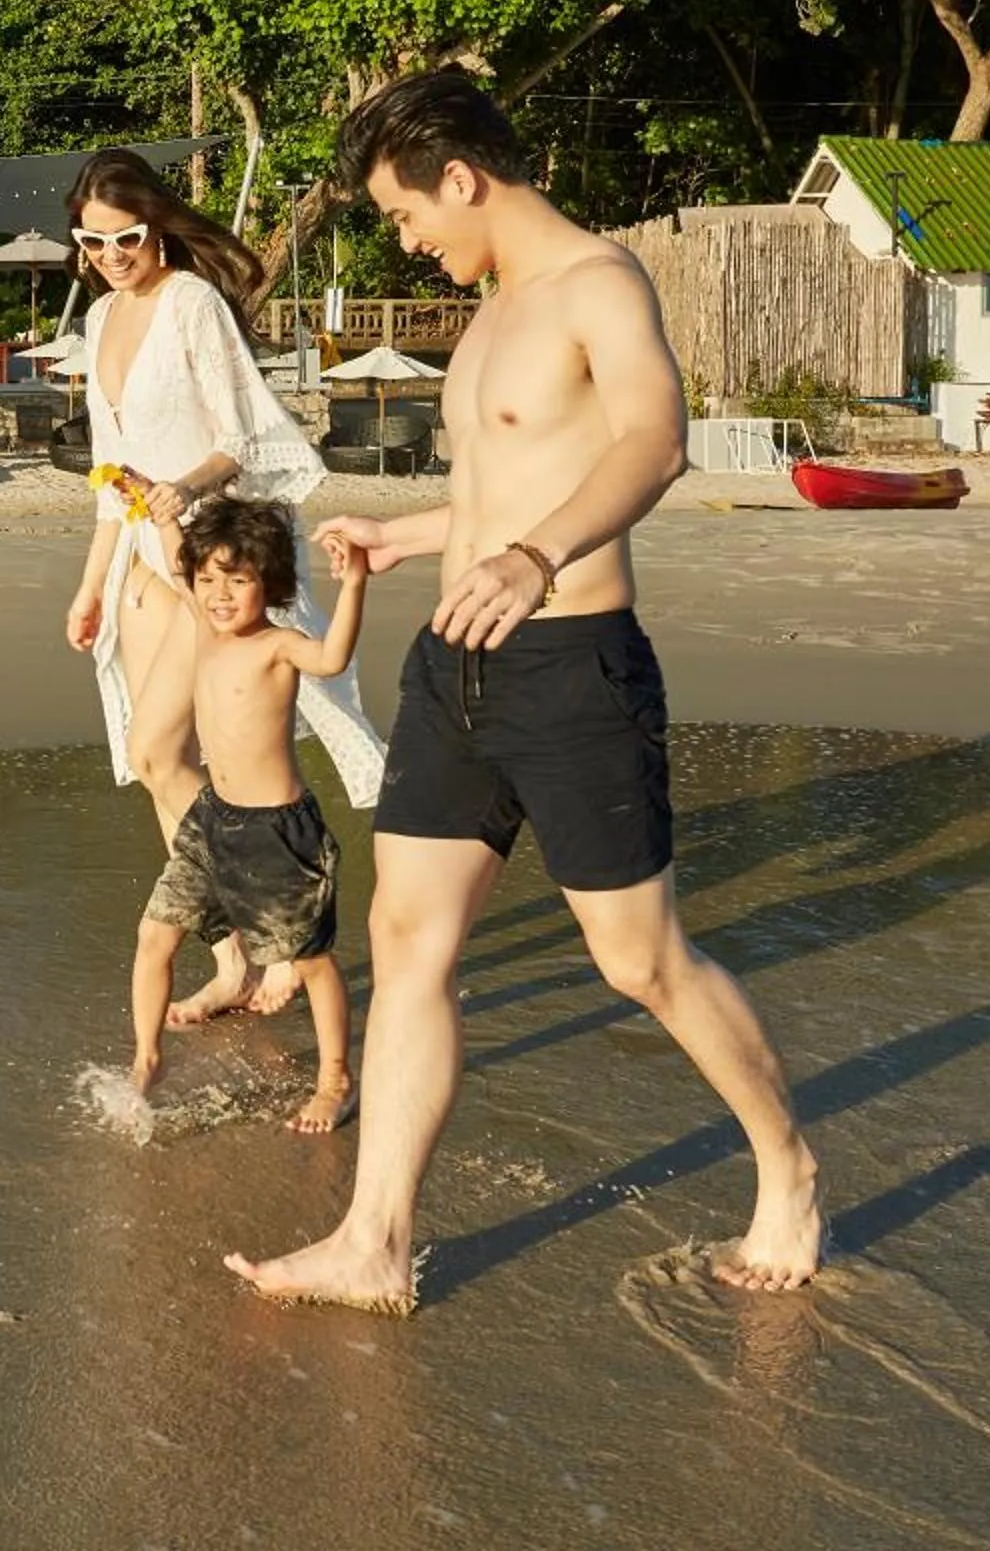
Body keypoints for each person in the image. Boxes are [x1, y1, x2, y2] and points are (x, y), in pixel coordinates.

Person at [225, 70, 823, 1314]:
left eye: (404, 215)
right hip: (455, 659)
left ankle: (788, 1164)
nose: (407, 239)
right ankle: (373, 1236)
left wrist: (532, 556)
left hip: (571, 665)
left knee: (637, 959)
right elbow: (506, 491)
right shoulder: (491, 311)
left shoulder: (600, 284)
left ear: (462, 177)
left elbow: (652, 441)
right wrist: (415, 535)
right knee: (406, 935)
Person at [62, 148, 384, 1024]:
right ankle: (234, 953)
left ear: (156, 224)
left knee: (217, 751)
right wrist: (90, 585)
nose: (113, 256)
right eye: (93, 243)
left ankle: (277, 942)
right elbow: (105, 469)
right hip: (138, 554)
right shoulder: (96, 323)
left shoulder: (193, 303)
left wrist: (189, 486)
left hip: (205, 555)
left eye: (126, 237)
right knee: (157, 759)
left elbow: (241, 440)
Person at [129, 496, 367, 1134]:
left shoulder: (278, 646)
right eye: (211, 580)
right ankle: (147, 1061)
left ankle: (336, 1079)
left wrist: (355, 584)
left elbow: (333, 659)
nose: (219, 595)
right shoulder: (204, 626)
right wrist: (161, 519)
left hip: (277, 833)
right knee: (156, 937)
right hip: (212, 823)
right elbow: (182, 570)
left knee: (312, 963)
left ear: (270, 581)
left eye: (238, 580)